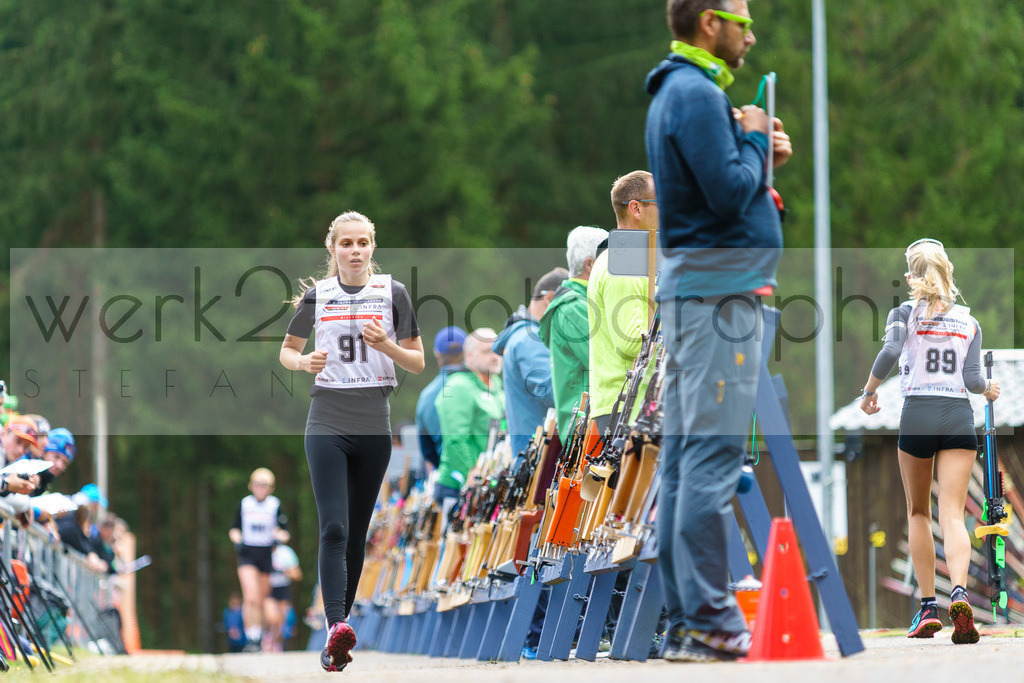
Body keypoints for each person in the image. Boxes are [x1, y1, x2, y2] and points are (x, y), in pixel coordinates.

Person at [645, 0, 793, 662]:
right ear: (710, 22)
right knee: (708, 459)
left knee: (682, 462)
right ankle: (709, 618)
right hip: (717, 298)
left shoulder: (678, 90)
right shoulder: (696, 92)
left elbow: (718, 192)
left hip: (698, 293)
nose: (751, 34)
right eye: (743, 20)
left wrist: (758, 154)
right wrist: (756, 140)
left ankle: (685, 621)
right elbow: (731, 194)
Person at [279, 211, 424, 671]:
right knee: (334, 528)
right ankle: (336, 624)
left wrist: (387, 346)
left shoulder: (393, 293)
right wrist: (304, 363)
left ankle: (334, 645)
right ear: (333, 249)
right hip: (326, 419)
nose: (355, 250)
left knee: (357, 536)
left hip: (373, 422)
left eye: (363, 242)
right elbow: (286, 351)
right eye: (347, 243)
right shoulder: (318, 296)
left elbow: (418, 362)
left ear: (373, 248)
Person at [859, 238, 998, 644]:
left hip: (918, 412)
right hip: (958, 416)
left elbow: (889, 352)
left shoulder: (904, 313)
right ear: (947, 272)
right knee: (952, 514)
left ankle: (926, 607)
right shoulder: (969, 322)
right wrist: (989, 388)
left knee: (918, 512)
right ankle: (958, 591)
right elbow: (973, 382)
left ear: (910, 277)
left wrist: (869, 391)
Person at [587, 171, 658, 435]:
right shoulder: (624, 261)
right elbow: (630, 341)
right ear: (636, 208)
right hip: (627, 404)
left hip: (627, 403)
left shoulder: (627, 258)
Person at [539, 227, 609, 438]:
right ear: (590, 264)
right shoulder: (574, 308)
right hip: (587, 433)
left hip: (591, 426)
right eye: (608, 258)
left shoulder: (581, 303)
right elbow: (604, 361)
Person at [493, 268, 566, 459]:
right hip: (538, 459)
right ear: (549, 299)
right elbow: (550, 392)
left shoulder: (523, 336)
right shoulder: (531, 338)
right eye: (568, 304)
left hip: (530, 455)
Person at [434, 329, 503, 506]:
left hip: (487, 484)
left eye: (498, 349)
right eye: (487, 351)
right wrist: (473, 478)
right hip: (459, 486)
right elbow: (456, 439)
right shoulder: (459, 386)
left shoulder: (497, 386)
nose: (495, 356)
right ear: (469, 356)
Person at [228, 468, 290, 653]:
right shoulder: (244, 504)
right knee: (251, 595)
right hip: (247, 552)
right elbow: (234, 529)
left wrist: (279, 536)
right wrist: (237, 540)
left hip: (266, 553)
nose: (261, 488)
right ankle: (251, 637)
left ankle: (259, 636)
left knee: (261, 598)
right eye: (258, 484)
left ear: (271, 487)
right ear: (251, 485)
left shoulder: (275, 505)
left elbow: (284, 531)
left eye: (265, 485)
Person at [415, 327, 468, 473]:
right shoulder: (481, 386)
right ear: (468, 353)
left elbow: (426, 449)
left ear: (437, 354)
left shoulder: (427, 395)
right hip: (482, 474)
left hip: (447, 474)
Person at [265, 544, 302, 651]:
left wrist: (283, 571)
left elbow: (297, 574)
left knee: (282, 621)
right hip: (268, 590)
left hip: (283, 589)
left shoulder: (285, 552)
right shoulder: (262, 552)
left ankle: (277, 646)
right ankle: (265, 641)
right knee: (272, 617)